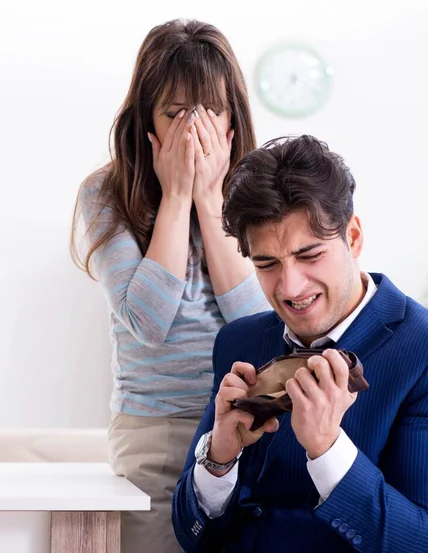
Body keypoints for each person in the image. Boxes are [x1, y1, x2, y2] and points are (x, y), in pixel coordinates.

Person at [172, 134, 428, 552]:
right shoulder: (239, 341)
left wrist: (327, 448)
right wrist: (218, 460)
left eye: (309, 256)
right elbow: (189, 533)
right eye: (267, 264)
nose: (290, 287)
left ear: (353, 237)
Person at [70, 19, 271, 553]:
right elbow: (148, 324)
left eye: (207, 113)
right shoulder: (106, 194)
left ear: (232, 126)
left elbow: (259, 320)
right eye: (176, 113)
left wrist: (211, 202)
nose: (192, 132)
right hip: (153, 434)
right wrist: (178, 196)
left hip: (251, 428)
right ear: (147, 125)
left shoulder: (259, 193)